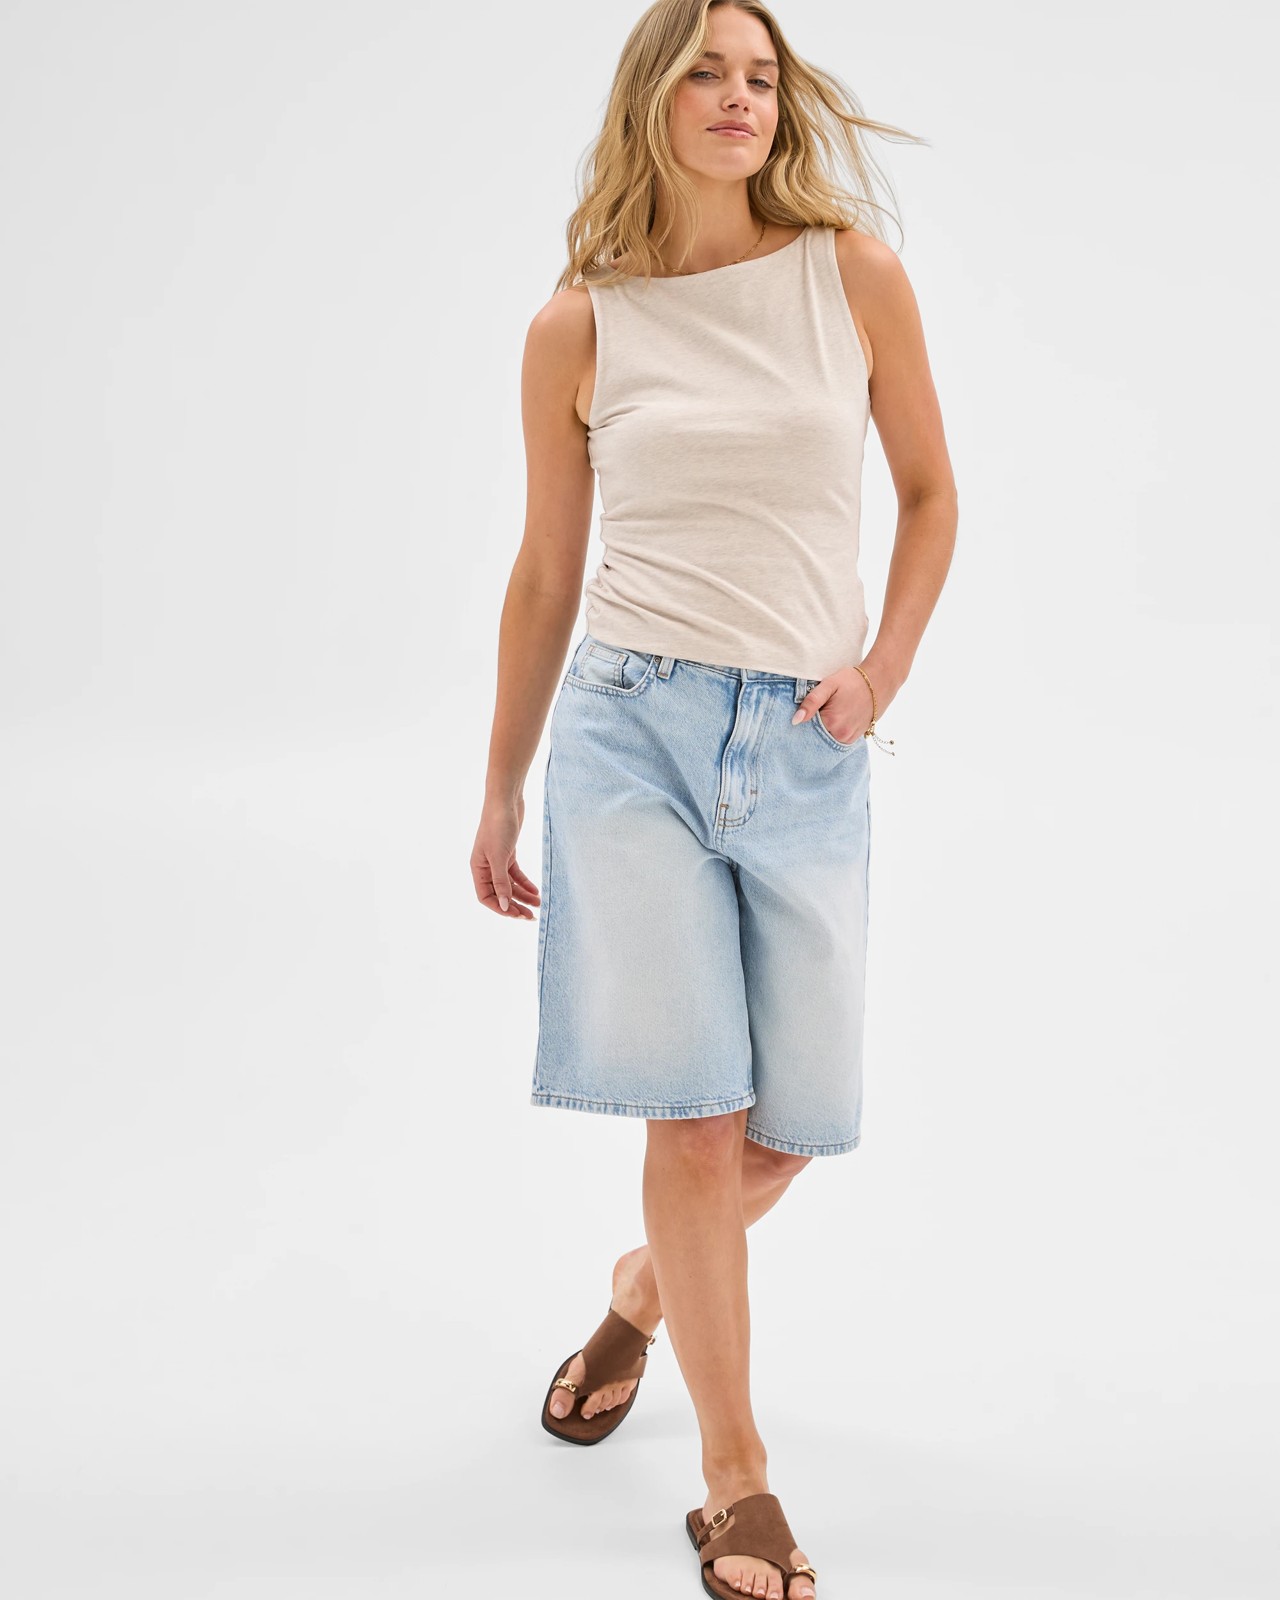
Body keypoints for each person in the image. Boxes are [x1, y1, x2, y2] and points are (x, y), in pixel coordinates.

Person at [471, 2, 957, 1594]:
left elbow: (931, 494)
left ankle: (641, 1293)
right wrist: (500, 786)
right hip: (633, 737)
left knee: (794, 1130)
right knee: (695, 1118)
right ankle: (736, 1482)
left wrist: (882, 670)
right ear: (653, 98)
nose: (740, 98)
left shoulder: (853, 275)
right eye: (707, 72)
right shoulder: (580, 325)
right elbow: (545, 573)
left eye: (761, 76)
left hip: (810, 742)